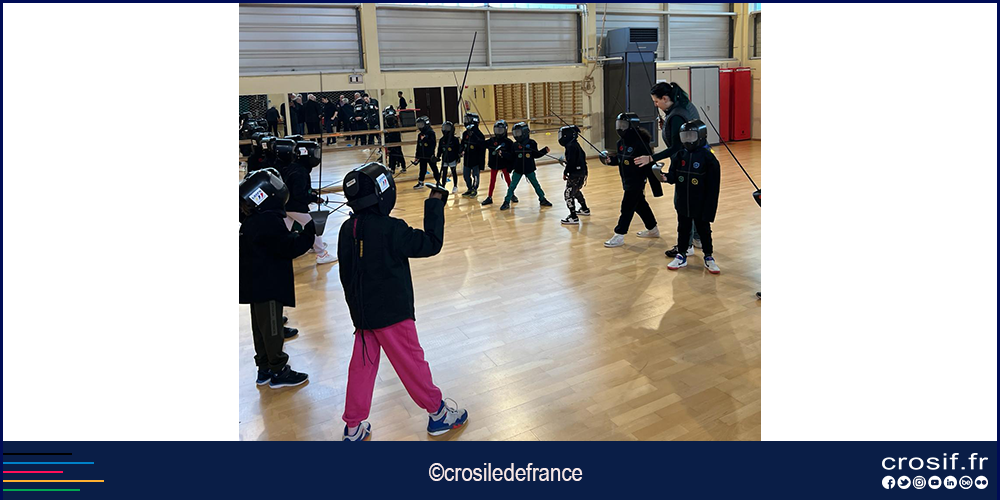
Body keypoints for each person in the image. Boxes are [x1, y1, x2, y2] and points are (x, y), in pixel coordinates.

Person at [338, 163, 469, 442]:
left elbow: (345, 274)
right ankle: (438, 413)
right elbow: (431, 243)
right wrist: (435, 203)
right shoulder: (391, 228)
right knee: (411, 363)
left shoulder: (347, 228)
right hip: (393, 314)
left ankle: (353, 427)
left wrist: (357, 310)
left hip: (362, 315)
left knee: (362, 367)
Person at [239, 168, 312, 389]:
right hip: (267, 285)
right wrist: (309, 231)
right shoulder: (268, 220)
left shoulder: (252, 219)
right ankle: (278, 370)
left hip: (255, 284)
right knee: (271, 328)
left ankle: (264, 367)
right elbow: (289, 247)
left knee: (260, 328)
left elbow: (278, 243)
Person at [637, 82, 703, 257]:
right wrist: (667, 126)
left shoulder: (676, 116)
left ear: (665, 98)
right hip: (692, 164)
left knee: (683, 205)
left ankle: (686, 245)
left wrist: (650, 158)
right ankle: (697, 238)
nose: (655, 104)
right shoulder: (681, 108)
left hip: (686, 166)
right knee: (690, 203)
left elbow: (676, 147)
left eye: (656, 101)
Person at [661, 120, 721, 274]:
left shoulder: (709, 159)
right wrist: (665, 177)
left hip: (701, 203)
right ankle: (681, 255)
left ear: (701, 136)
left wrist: (709, 209)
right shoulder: (679, 155)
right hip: (683, 202)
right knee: (683, 228)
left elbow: (713, 188)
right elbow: (673, 176)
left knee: (704, 230)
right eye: (685, 136)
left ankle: (708, 256)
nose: (688, 140)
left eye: (691, 136)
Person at [600, 112, 660, 248]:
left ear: (632, 126)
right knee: (640, 204)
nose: (620, 128)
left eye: (624, 125)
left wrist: (655, 183)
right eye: (619, 124)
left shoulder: (640, 143)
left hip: (637, 180)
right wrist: (610, 160)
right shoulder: (620, 143)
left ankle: (619, 234)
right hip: (626, 180)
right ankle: (653, 229)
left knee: (627, 206)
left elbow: (650, 162)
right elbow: (621, 159)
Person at [282, 141, 337, 265]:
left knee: (284, 230)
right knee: (313, 226)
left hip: (286, 204)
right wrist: (313, 198)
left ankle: (281, 251)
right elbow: (299, 194)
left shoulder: (294, 167)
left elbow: (298, 188)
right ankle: (321, 254)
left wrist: (311, 192)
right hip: (294, 205)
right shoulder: (300, 172)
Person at [499, 122, 553, 211]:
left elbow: (536, 154)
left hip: (529, 169)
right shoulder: (515, 145)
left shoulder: (532, 143)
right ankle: (506, 202)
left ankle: (542, 199)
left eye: (518, 133)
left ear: (524, 132)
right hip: (518, 169)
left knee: (536, 185)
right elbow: (512, 157)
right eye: (515, 133)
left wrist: (544, 151)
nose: (516, 135)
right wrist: (503, 154)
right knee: (512, 186)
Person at [557, 125, 590, 225]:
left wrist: (565, 172)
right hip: (581, 172)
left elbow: (571, 162)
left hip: (576, 174)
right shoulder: (575, 144)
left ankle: (573, 217)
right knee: (575, 191)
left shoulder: (570, 146)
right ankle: (584, 209)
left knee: (568, 194)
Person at [481, 120, 516, 206]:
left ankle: (512, 195)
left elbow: (512, 155)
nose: (499, 132)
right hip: (494, 164)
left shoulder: (508, 142)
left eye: (501, 130)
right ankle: (489, 197)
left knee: (508, 180)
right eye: (497, 130)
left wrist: (503, 153)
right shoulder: (491, 140)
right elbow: (481, 144)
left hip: (504, 164)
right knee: (492, 181)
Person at [459, 113, 485, 198]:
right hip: (467, 159)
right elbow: (462, 144)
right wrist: (461, 151)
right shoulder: (465, 134)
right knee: (466, 175)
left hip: (476, 160)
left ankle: (475, 189)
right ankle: (469, 188)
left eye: (468, 120)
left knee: (475, 176)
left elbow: (481, 147)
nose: (466, 122)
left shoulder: (479, 135)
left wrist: (474, 136)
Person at [413, 116, 439, 189]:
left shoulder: (431, 133)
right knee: (422, 169)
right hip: (422, 156)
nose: (420, 126)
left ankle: (438, 181)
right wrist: (417, 156)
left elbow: (433, 144)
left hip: (430, 155)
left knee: (434, 169)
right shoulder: (420, 135)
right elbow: (418, 146)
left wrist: (425, 139)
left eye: (421, 124)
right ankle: (420, 182)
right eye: (419, 125)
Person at [437, 121, 461, 193]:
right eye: (444, 128)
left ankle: (455, 186)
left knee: (453, 172)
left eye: (447, 128)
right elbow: (439, 149)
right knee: (444, 173)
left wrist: (458, 157)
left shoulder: (455, 140)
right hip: (444, 159)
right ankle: (443, 185)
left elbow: (458, 149)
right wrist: (438, 156)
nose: (445, 130)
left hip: (452, 159)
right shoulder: (442, 140)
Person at [382, 106, 406, 174]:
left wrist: (389, 146)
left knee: (396, 156)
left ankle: (399, 168)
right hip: (393, 144)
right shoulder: (391, 128)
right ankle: (394, 168)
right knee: (394, 156)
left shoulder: (394, 129)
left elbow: (391, 138)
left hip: (395, 144)